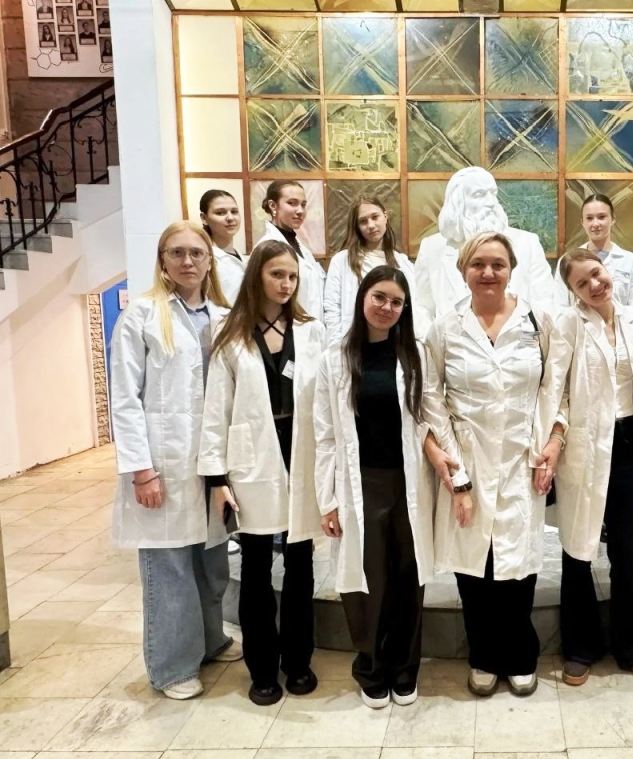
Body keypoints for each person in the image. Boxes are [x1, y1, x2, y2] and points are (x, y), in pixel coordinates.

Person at [109, 220, 241, 701]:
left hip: (210, 463)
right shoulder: (143, 316)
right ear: (163, 261)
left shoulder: (224, 316)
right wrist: (141, 470)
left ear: (209, 261)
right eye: (177, 253)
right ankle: (172, 666)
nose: (188, 261)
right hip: (163, 462)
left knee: (211, 562)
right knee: (170, 568)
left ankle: (211, 640)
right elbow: (124, 399)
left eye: (196, 253)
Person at [422, 232, 553, 698]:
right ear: (463, 270)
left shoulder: (538, 322)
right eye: (478, 264)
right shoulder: (445, 328)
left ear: (511, 269)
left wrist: (553, 442)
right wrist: (456, 472)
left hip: (522, 459)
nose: (488, 272)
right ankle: (483, 655)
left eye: (498, 264)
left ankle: (520, 655)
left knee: (518, 564)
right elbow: (431, 397)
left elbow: (554, 389)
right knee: (475, 565)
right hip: (469, 459)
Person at [199, 240, 327, 706]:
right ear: (257, 276)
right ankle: (262, 668)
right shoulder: (232, 334)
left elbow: (326, 399)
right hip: (252, 458)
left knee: (300, 564)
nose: (286, 283)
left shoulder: (312, 331)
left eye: (292, 276)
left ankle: (298, 661)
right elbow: (216, 409)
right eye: (277, 274)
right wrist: (216, 478)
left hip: (301, 453)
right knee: (255, 569)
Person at [535, 248, 633, 686]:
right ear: (572, 291)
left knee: (627, 548)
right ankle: (579, 646)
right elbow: (557, 389)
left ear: (607, 270)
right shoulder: (568, 324)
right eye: (581, 283)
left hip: (628, 444)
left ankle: (631, 644)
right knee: (578, 546)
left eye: (596, 273)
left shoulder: (632, 319)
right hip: (584, 446)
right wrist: (554, 438)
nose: (594, 285)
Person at [315, 266, 434, 709]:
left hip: (409, 482)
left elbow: (429, 417)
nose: (387, 307)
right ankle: (370, 667)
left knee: (408, 578)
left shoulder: (415, 355)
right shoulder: (335, 359)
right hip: (359, 484)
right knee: (366, 583)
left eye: (396, 302)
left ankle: (405, 668)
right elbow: (325, 435)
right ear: (363, 297)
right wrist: (327, 501)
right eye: (379, 297)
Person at [415, 167, 554, 321]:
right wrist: (433, 336)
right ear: (458, 202)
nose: (490, 203)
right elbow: (422, 308)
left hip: (515, 334)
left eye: (493, 194)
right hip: (451, 335)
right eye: (479, 195)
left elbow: (545, 304)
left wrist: (531, 336)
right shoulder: (432, 248)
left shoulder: (527, 243)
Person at [322, 197, 424, 341]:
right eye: (363, 221)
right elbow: (332, 308)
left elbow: (413, 306)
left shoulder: (403, 263)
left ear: (385, 216)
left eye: (375, 217)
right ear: (356, 226)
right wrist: (337, 344)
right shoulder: (342, 261)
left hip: (396, 341)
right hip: (354, 341)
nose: (370, 225)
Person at [555, 194, 633, 314]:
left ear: (612, 219)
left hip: (620, 325)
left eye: (601, 217)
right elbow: (560, 308)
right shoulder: (567, 262)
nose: (595, 224)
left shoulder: (630, 261)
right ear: (582, 222)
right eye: (589, 218)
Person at [256, 180, 326, 321]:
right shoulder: (266, 247)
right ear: (273, 205)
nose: (300, 211)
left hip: (312, 327)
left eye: (303, 205)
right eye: (292, 203)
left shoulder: (301, 247)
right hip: (286, 328)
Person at [198, 190, 246, 304]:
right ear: (204, 218)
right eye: (220, 213)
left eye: (234, 212)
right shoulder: (203, 259)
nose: (230, 218)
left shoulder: (245, 259)